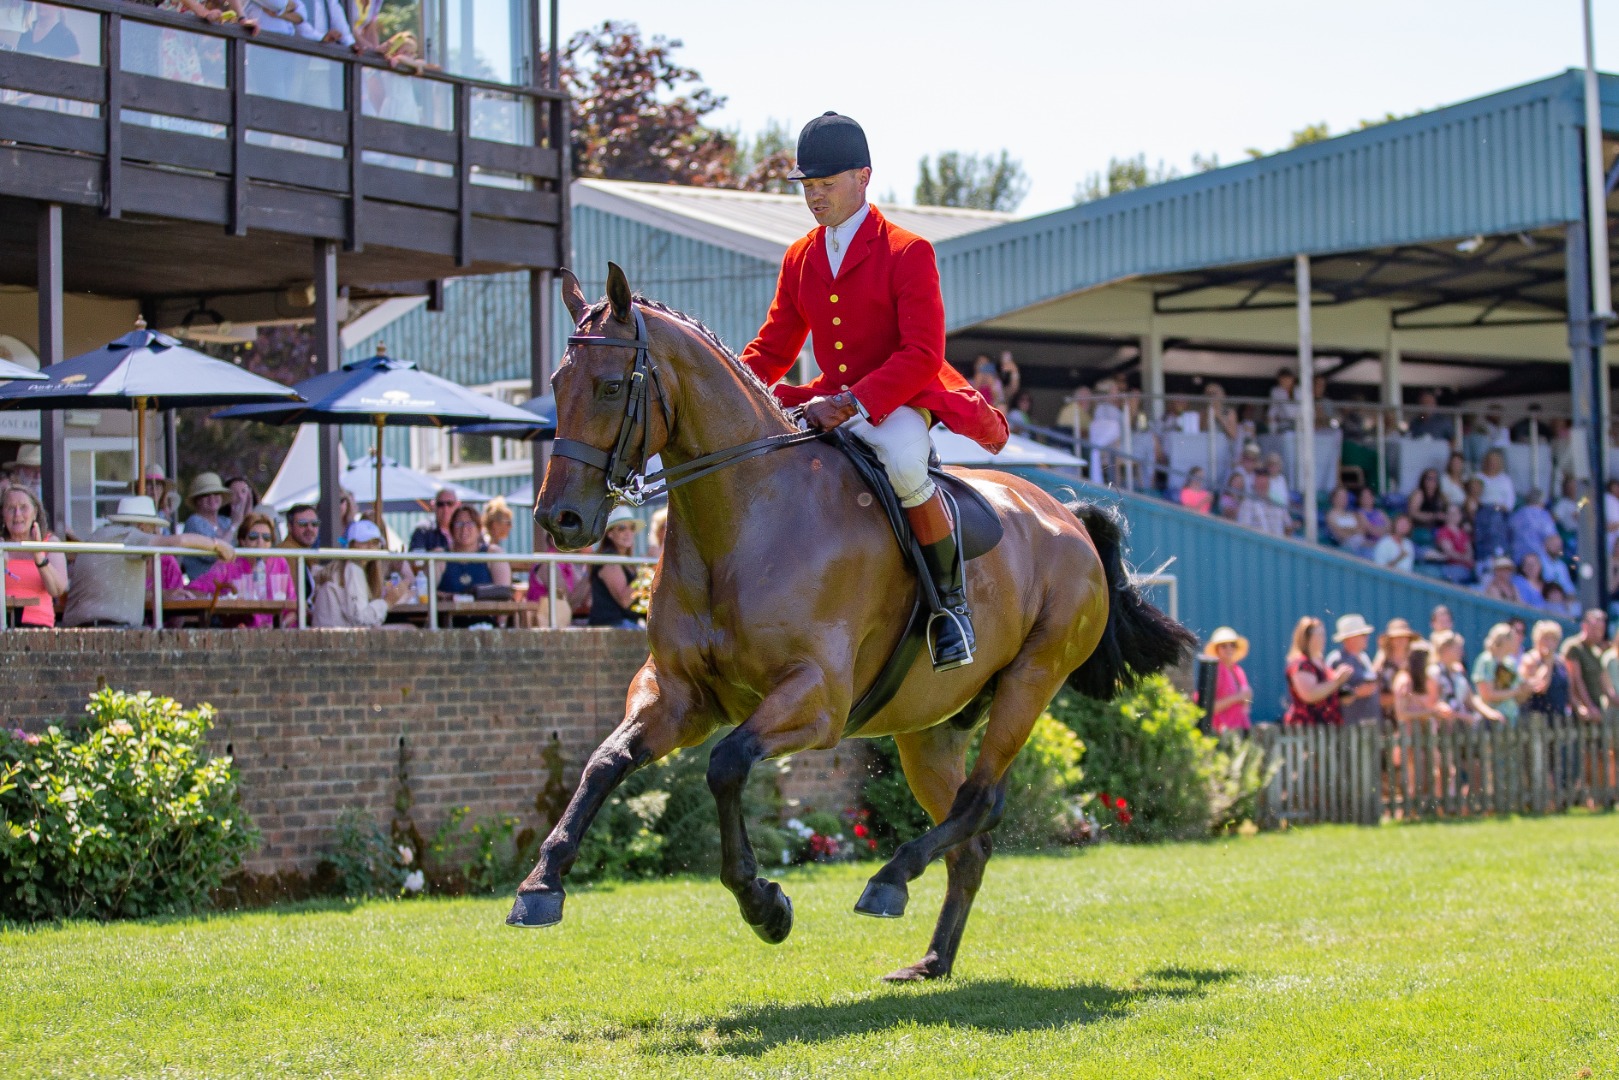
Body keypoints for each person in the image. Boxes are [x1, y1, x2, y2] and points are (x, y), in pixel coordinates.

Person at [738, 112, 1008, 671]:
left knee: (908, 465)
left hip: (893, 400)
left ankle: (949, 609)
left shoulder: (908, 251)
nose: (814, 198)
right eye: (808, 187)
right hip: (824, 398)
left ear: (863, 177)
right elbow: (774, 346)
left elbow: (922, 354)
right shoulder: (799, 257)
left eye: (825, 185)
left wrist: (853, 402)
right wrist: (731, 385)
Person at [63, 496, 234, 628]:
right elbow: (180, 541)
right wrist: (218, 545)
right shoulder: (130, 536)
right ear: (143, 526)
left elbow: (111, 591)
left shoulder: (99, 536)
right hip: (109, 628)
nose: (155, 532)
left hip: (81, 626)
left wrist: (162, 594)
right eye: (153, 527)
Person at [186, 512, 294, 628]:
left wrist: (279, 627)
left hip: (277, 634)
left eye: (266, 538)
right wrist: (221, 598)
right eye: (253, 537)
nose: (260, 542)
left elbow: (293, 608)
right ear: (242, 541)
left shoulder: (279, 562)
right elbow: (193, 590)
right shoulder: (229, 563)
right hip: (238, 634)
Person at [310, 520, 410, 628]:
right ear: (352, 544)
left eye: (375, 542)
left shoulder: (343, 566)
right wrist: (387, 602)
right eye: (364, 541)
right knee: (410, 629)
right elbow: (360, 619)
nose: (370, 546)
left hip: (335, 637)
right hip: (341, 640)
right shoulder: (352, 569)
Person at [2, 485, 67, 628]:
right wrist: (2, 566)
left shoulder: (50, 543)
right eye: (11, 508)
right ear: (2, 514)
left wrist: (38, 555)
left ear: (35, 512)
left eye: (23, 507)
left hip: (38, 626)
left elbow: (57, 590)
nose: (17, 514)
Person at [1284, 616, 1349, 725]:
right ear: (1307, 638)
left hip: (1328, 725)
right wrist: (1337, 681)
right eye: (1319, 635)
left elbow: (1328, 691)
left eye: (1323, 634)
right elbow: (1309, 695)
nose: (1323, 639)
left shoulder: (1321, 662)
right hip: (1307, 728)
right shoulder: (1301, 664)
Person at [437, 504, 510, 597]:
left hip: (486, 611)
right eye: (459, 524)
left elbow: (504, 593)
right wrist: (451, 598)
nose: (464, 529)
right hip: (446, 611)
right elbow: (423, 592)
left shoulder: (494, 554)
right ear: (451, 529)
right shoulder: (439, 556)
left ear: (479, 529)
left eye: (470, 524)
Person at [587, 506, 643, 628]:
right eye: (622, 528)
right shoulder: (609, 560)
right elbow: (624, 600)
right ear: (610, 534)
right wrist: (646, 573)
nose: (628, 533)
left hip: (626, 624)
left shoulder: (626, 561)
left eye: (631, 528)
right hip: (611, 625)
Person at [1472, 622, 1536, 727]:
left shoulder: (1510, 663)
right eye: (1513, 639)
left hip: (1511, 720)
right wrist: (1515, 691)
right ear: (1504, 640)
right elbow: (1487, 695)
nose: (1517, 642)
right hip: (1491, 721)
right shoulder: (1486, 661)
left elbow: (1521, 688)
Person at [1324, 614, 1380, 725]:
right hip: (1349, 726)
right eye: (1363, 635)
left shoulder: (1364, 657)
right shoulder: (1337, 659)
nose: (1367, 638)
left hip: (1370, 724)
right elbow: (1330, 695)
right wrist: (1357, 692)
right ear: (1350, 638)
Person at [180, 471, 234, 579]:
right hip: (203, 588)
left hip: (228, 584)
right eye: (206, 495)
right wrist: (235, 525)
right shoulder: (194, 522)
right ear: (197, 500)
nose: (212, 498)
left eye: (216, 493)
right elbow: (215, 554)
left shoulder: (226, 522)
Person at [1560, 609, 1609, 723]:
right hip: (1583, 710)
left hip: (1597, 706)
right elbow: (1576, 680)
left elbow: (1603, 681)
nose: (1599, 634)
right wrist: (1589, 706)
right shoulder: (1574, 647)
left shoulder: (1596, 651)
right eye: (1595, 629)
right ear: (1584, 626)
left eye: (1601, 630)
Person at [1202, 627, 1253, 734]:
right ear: (1217, 649)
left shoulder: (1238, 671)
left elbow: (1246, 703)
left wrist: (1247, 699)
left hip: (1240, 730)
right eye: (1224, 646)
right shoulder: (1215, 672)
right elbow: (1208, 707)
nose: (1229, 649)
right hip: (1219, 733)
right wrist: (1238, 697)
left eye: (1232, 645)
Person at [1521, 620, 1571, 723]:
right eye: (1545, 638)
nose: (1549, 643)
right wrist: (1548, 663)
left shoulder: (1560, 661)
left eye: (1553, 639)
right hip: (1537, 716)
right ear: (1536, 639)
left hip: (1558, 716)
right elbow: (1540, 687)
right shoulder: (1530, 660)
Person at [1473, 448, 1514, 564]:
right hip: (1483, 508)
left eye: (1495, 461)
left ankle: (1499, 552)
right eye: (1490, 461)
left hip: (1501, 510)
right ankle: (1485, 557)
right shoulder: (1479, 476)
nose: (1492, 463)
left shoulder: (1505, 480)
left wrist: (1499, 507)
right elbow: (1474, 496)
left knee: (1495, 519)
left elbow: (1509, 502)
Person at [1373, 618, 1419, 718]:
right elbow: (1376, 698)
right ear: (1390, 640)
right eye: (1396, 637)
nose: (1400, 640)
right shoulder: (1382, 665)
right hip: (1388, 719)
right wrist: (1401, 699)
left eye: (1404, 637)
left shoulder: (1416, 662)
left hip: (1414, 720)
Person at [1509, 490, 1558, 565]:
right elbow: (1551, 539)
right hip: (1537, 559)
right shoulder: (1543, 515)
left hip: (1516, 558)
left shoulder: (1517, 514)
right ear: (1542, 501)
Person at [1237, 472, 1290, 536]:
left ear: (1269, 485)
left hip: (1278, 543)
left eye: (1265, 484)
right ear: (1254, 485)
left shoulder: (1277, 503)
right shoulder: (1247, 504)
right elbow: (1244, 529)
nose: (1262, 487)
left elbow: (1288, 525)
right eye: (1260, 485)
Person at [1324, 486, 1365, 551]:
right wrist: (1354, 531)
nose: (1344, 499)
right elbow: (1340, 534)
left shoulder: (1351, 513)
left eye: (1345, 497)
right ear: (1333, 498)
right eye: (1341, 497)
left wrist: (1349, 530)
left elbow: (1361, 531)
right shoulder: (1331, 515)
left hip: (1360, 543)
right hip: (1345, 548)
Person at [1267, 368, 1300, 433]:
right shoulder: (1276, 391)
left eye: (1286, 379)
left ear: (1292, 379)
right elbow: (1273, 408)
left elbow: (1303, 408)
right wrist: (1270, 419)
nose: (1284, 381)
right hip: (1284, 424)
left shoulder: (1299, 390)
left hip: (1300, 423)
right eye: (1282, 379)